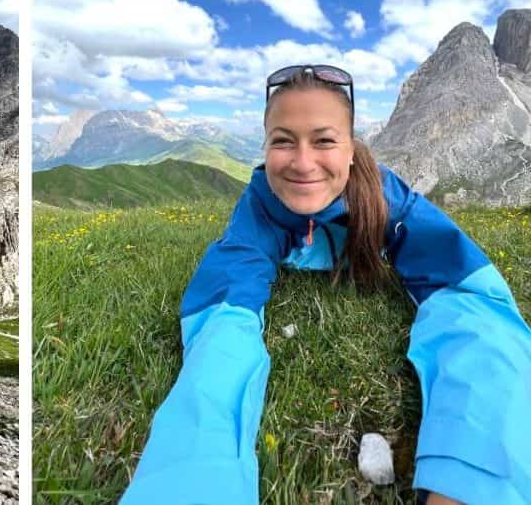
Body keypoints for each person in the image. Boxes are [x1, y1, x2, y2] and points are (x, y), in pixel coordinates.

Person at [120, 65, 531, 504]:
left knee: (480, 326)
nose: (302, 162)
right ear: (264, 146)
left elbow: (465, 289)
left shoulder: (385, 196)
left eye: (324, 140)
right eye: (282, 140)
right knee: (219, 344)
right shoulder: (257, 207)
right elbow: (225, 309)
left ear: (352, 149)